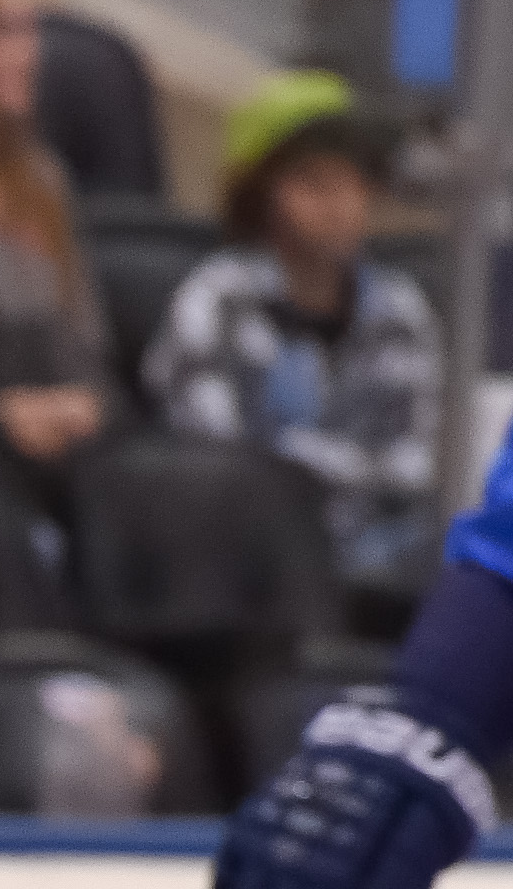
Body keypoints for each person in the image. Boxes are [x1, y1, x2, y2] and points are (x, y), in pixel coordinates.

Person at [147, 71, 444, 615]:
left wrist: (303, 463)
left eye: (354, 182)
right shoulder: (214, 304)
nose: (340, 204)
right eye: (313, 183)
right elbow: (219, 467)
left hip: (384, 576)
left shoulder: (402, 311)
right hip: (251, 585)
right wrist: (345, 476)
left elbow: (424, 466)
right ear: (260, 194)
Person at [0, 0, 105, 478]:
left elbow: (88, 352)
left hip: (61, 466)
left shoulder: (42, 180)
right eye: (3, 31)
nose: (30, 56)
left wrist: (83, 408)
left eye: (32, 29)